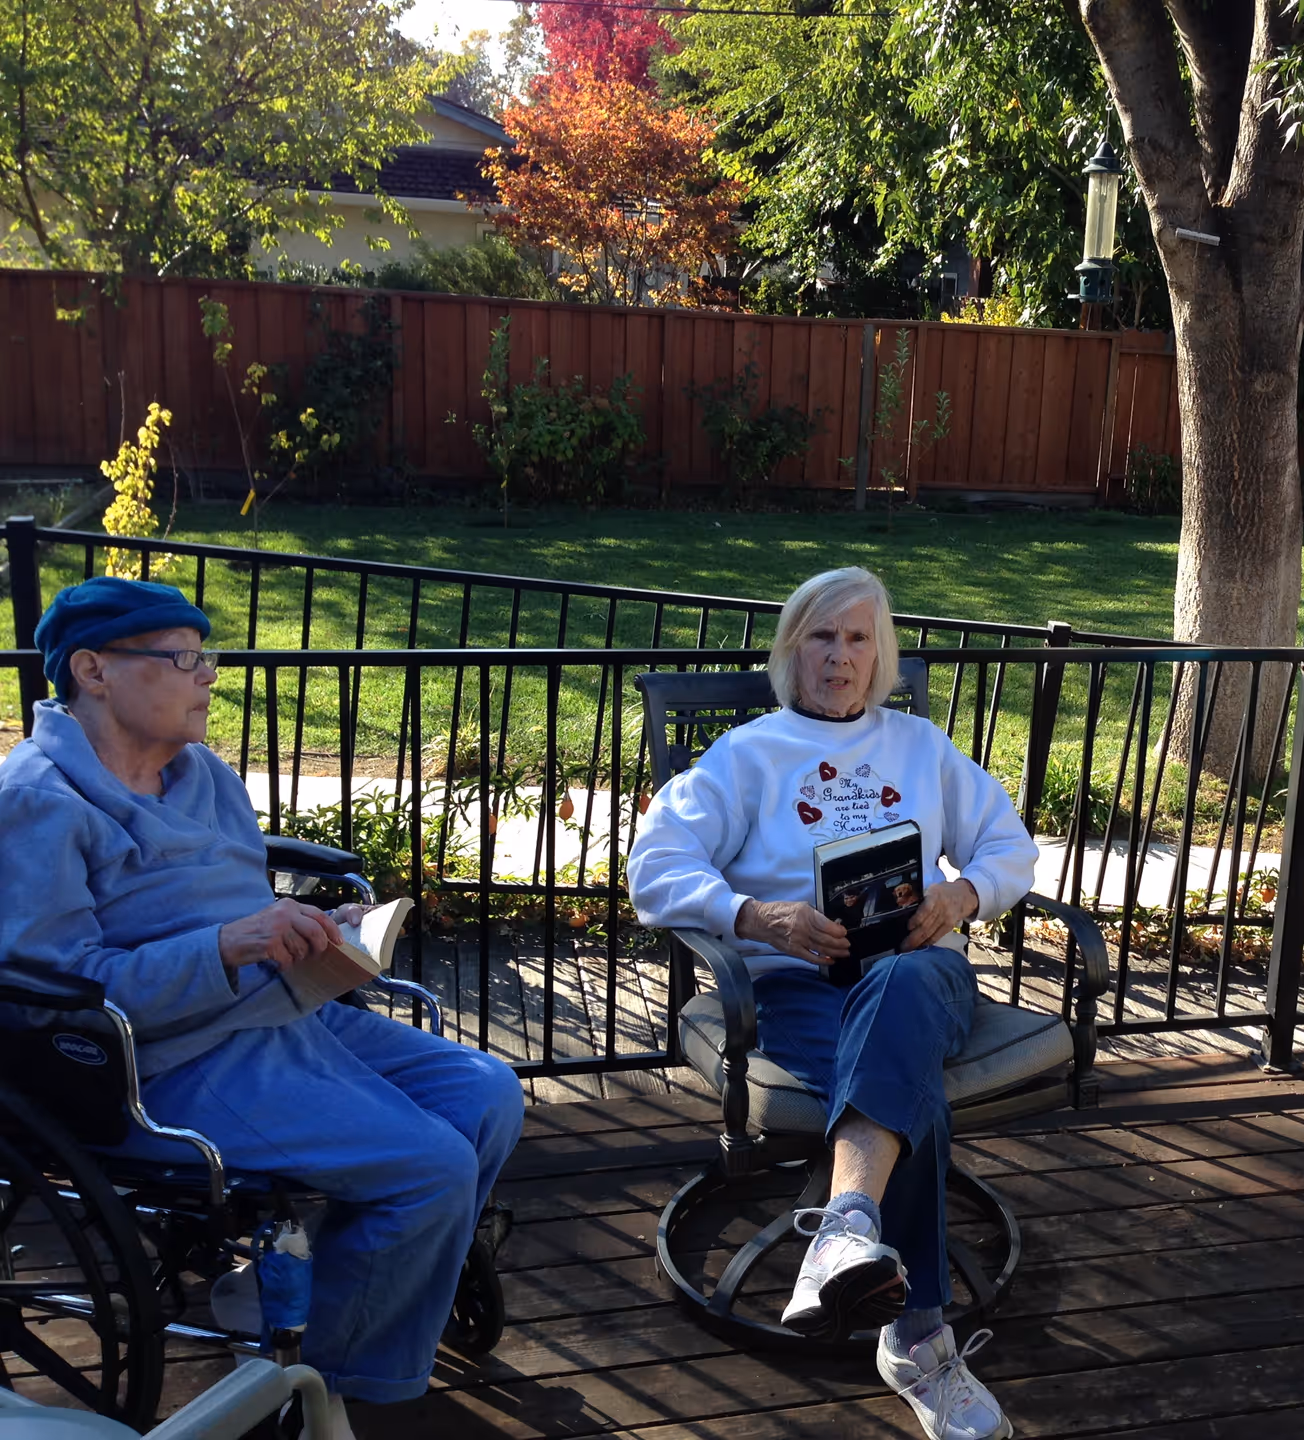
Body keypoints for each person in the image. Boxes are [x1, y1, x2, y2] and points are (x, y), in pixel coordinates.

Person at [0, 577, 526, 1436]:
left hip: (280, 1013)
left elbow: (240, 898)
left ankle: (349, 1290)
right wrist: (229, 947)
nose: (207, 675)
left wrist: (326, 928)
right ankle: (336, 1392)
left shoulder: (199, 771)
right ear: (93, 670)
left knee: (485, 1094)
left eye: (204, 656)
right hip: (158, 1064)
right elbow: (61, 993)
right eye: (182, 657)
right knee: (431, 1170)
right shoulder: (37, 803)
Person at [628, 565, 1038, 1440]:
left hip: (923, 971)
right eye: (820, 637)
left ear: (880, 654)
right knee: (908, 1087)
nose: (839, 657)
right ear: (792, 652)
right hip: (799, 983)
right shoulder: (747, 755)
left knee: (905, 985)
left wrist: (961, 900)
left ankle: (846, 1226)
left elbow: (1008, 844)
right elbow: (655, 867)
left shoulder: (922, 749)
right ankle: (919, 1340)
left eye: (858, 639)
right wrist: (754, 916)